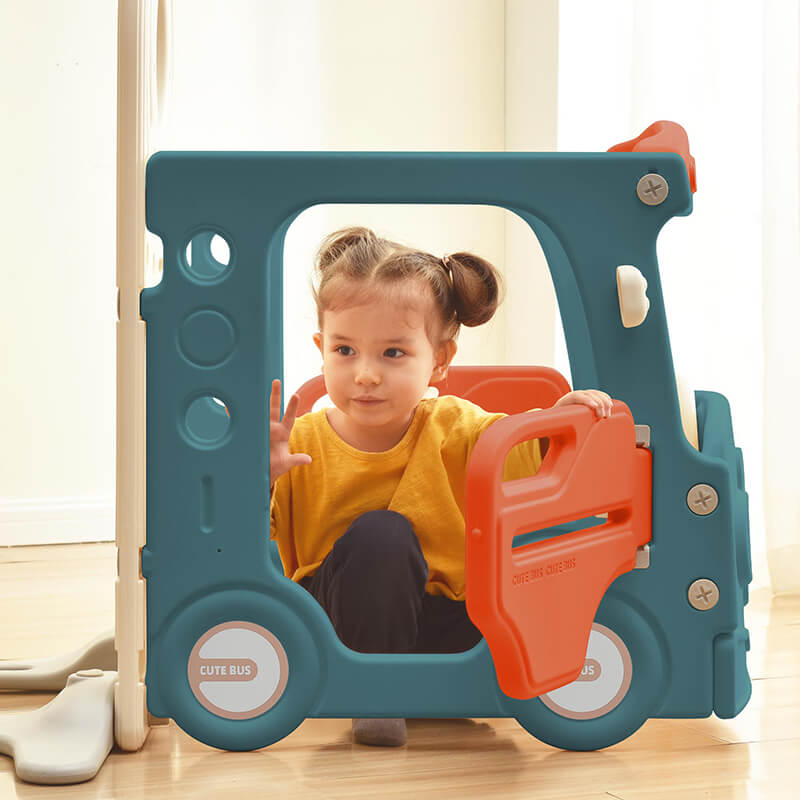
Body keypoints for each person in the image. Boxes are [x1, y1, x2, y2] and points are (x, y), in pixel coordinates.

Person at [268, 226, 612, 747]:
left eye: (392, 353)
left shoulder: (458, 425)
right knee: (382, 535)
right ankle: (376, 694)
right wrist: (259, 477)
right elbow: (242, 541)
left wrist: (567, 417)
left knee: (504, 591)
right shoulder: (301, 443)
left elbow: (529, 453)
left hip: (445, 622)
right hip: (336, 626)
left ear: (441, 359)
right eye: (344, 350)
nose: (364, 374)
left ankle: (448, 686)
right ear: (321, 348)